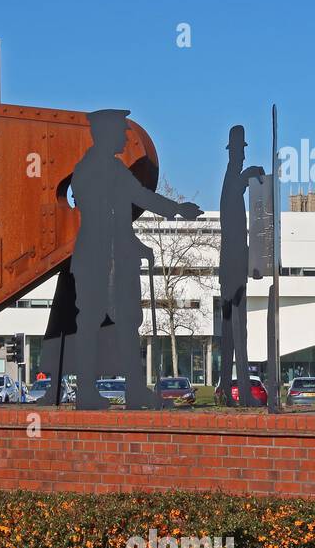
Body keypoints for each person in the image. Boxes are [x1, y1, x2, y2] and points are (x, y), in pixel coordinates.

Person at [42, 109, 201, 410]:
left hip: (103, 256)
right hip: (101, 259)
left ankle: (130, 390)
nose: (125, 137)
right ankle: (96, 392)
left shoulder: (102, 167)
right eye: (121, 131)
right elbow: (121, 210)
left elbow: (119, 213)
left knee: (120, 323)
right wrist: (176, 209)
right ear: (105, 133)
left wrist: (141, 239)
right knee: (98, 323)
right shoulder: (98, 169)